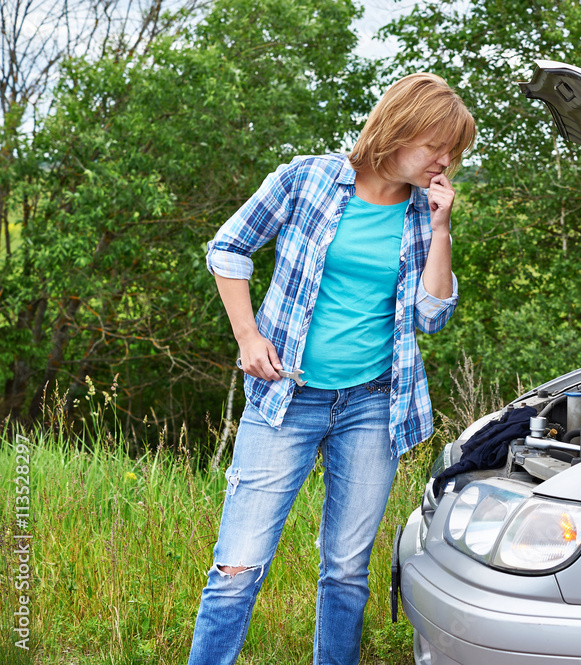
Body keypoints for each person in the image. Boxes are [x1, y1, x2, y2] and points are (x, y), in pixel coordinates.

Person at [187, 73, 475, 665]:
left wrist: (443, 228)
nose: (445, 161)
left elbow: (433, 316)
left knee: (346, 569)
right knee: (238, 565)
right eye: (435, 146)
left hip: (374, 405)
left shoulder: (425, 212)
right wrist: (248, 336)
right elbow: (227, 247)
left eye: (453, 151)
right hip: (285, 399)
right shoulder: (306, 179)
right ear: (396, 131)